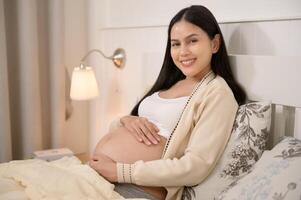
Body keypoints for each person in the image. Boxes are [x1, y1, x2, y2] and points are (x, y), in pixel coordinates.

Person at [89, 5, 246, 200]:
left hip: (134, 190)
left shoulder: (217, 93)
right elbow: (127, 128)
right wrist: (126, 121)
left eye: (192, 41)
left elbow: (196, 166)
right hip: (100, 177)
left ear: (215, 44)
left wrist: (121, 172)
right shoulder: (166, 83)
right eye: (175, 44)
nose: (183, 52)